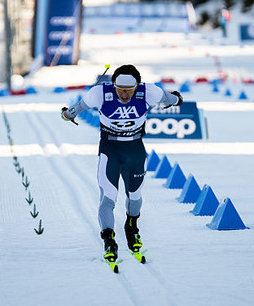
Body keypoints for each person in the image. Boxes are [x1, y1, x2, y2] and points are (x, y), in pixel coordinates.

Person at [60, 64, 183, 264]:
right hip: (110, 150)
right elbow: (79, 107)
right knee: (108, 198)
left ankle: (131, 226)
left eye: (129, 90)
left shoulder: (148, 92)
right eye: (120, 90)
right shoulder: (99, 93)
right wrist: (67, 114)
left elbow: (169, 99)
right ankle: (109, 240)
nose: (124, 95)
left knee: (134, 196)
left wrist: (178, 98)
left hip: (134, 150)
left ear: (137, 86)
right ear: (113, 85)